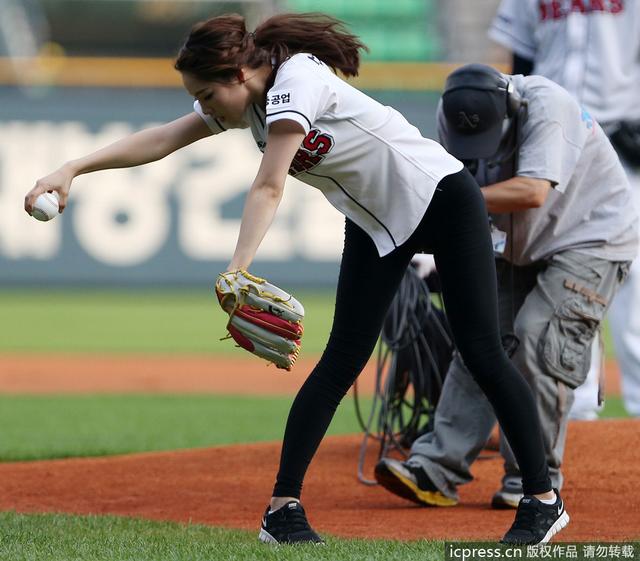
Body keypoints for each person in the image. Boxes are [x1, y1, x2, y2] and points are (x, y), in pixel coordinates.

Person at [24, 13, 568, 545]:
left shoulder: (297, 81)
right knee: (339, 361)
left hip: (444, 201)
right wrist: (72, 168)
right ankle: (282, 511)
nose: (205, 108)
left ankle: (543, 502)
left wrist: (237, 267)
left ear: (238, 75)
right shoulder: (251, 100)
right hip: (376, 223)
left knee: (481, 351)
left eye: (208, 96)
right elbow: (165, 137)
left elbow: (268, 185)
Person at [375, 64, 637, 512]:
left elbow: (532, 191)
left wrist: (449, 201)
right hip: (513, 242)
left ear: (512, 110)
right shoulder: (449, 111)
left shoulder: (548, 106)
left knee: (538, 337)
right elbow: (448, 179)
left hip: (591, 238)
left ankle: (533, 479)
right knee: (479, 340)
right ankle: (437, 468)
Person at [489, 0, 640, 419]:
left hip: (627, 145)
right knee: (563, 270)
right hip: (552, 144)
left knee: (635, 280)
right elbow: (521, 61)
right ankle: (577, 413)